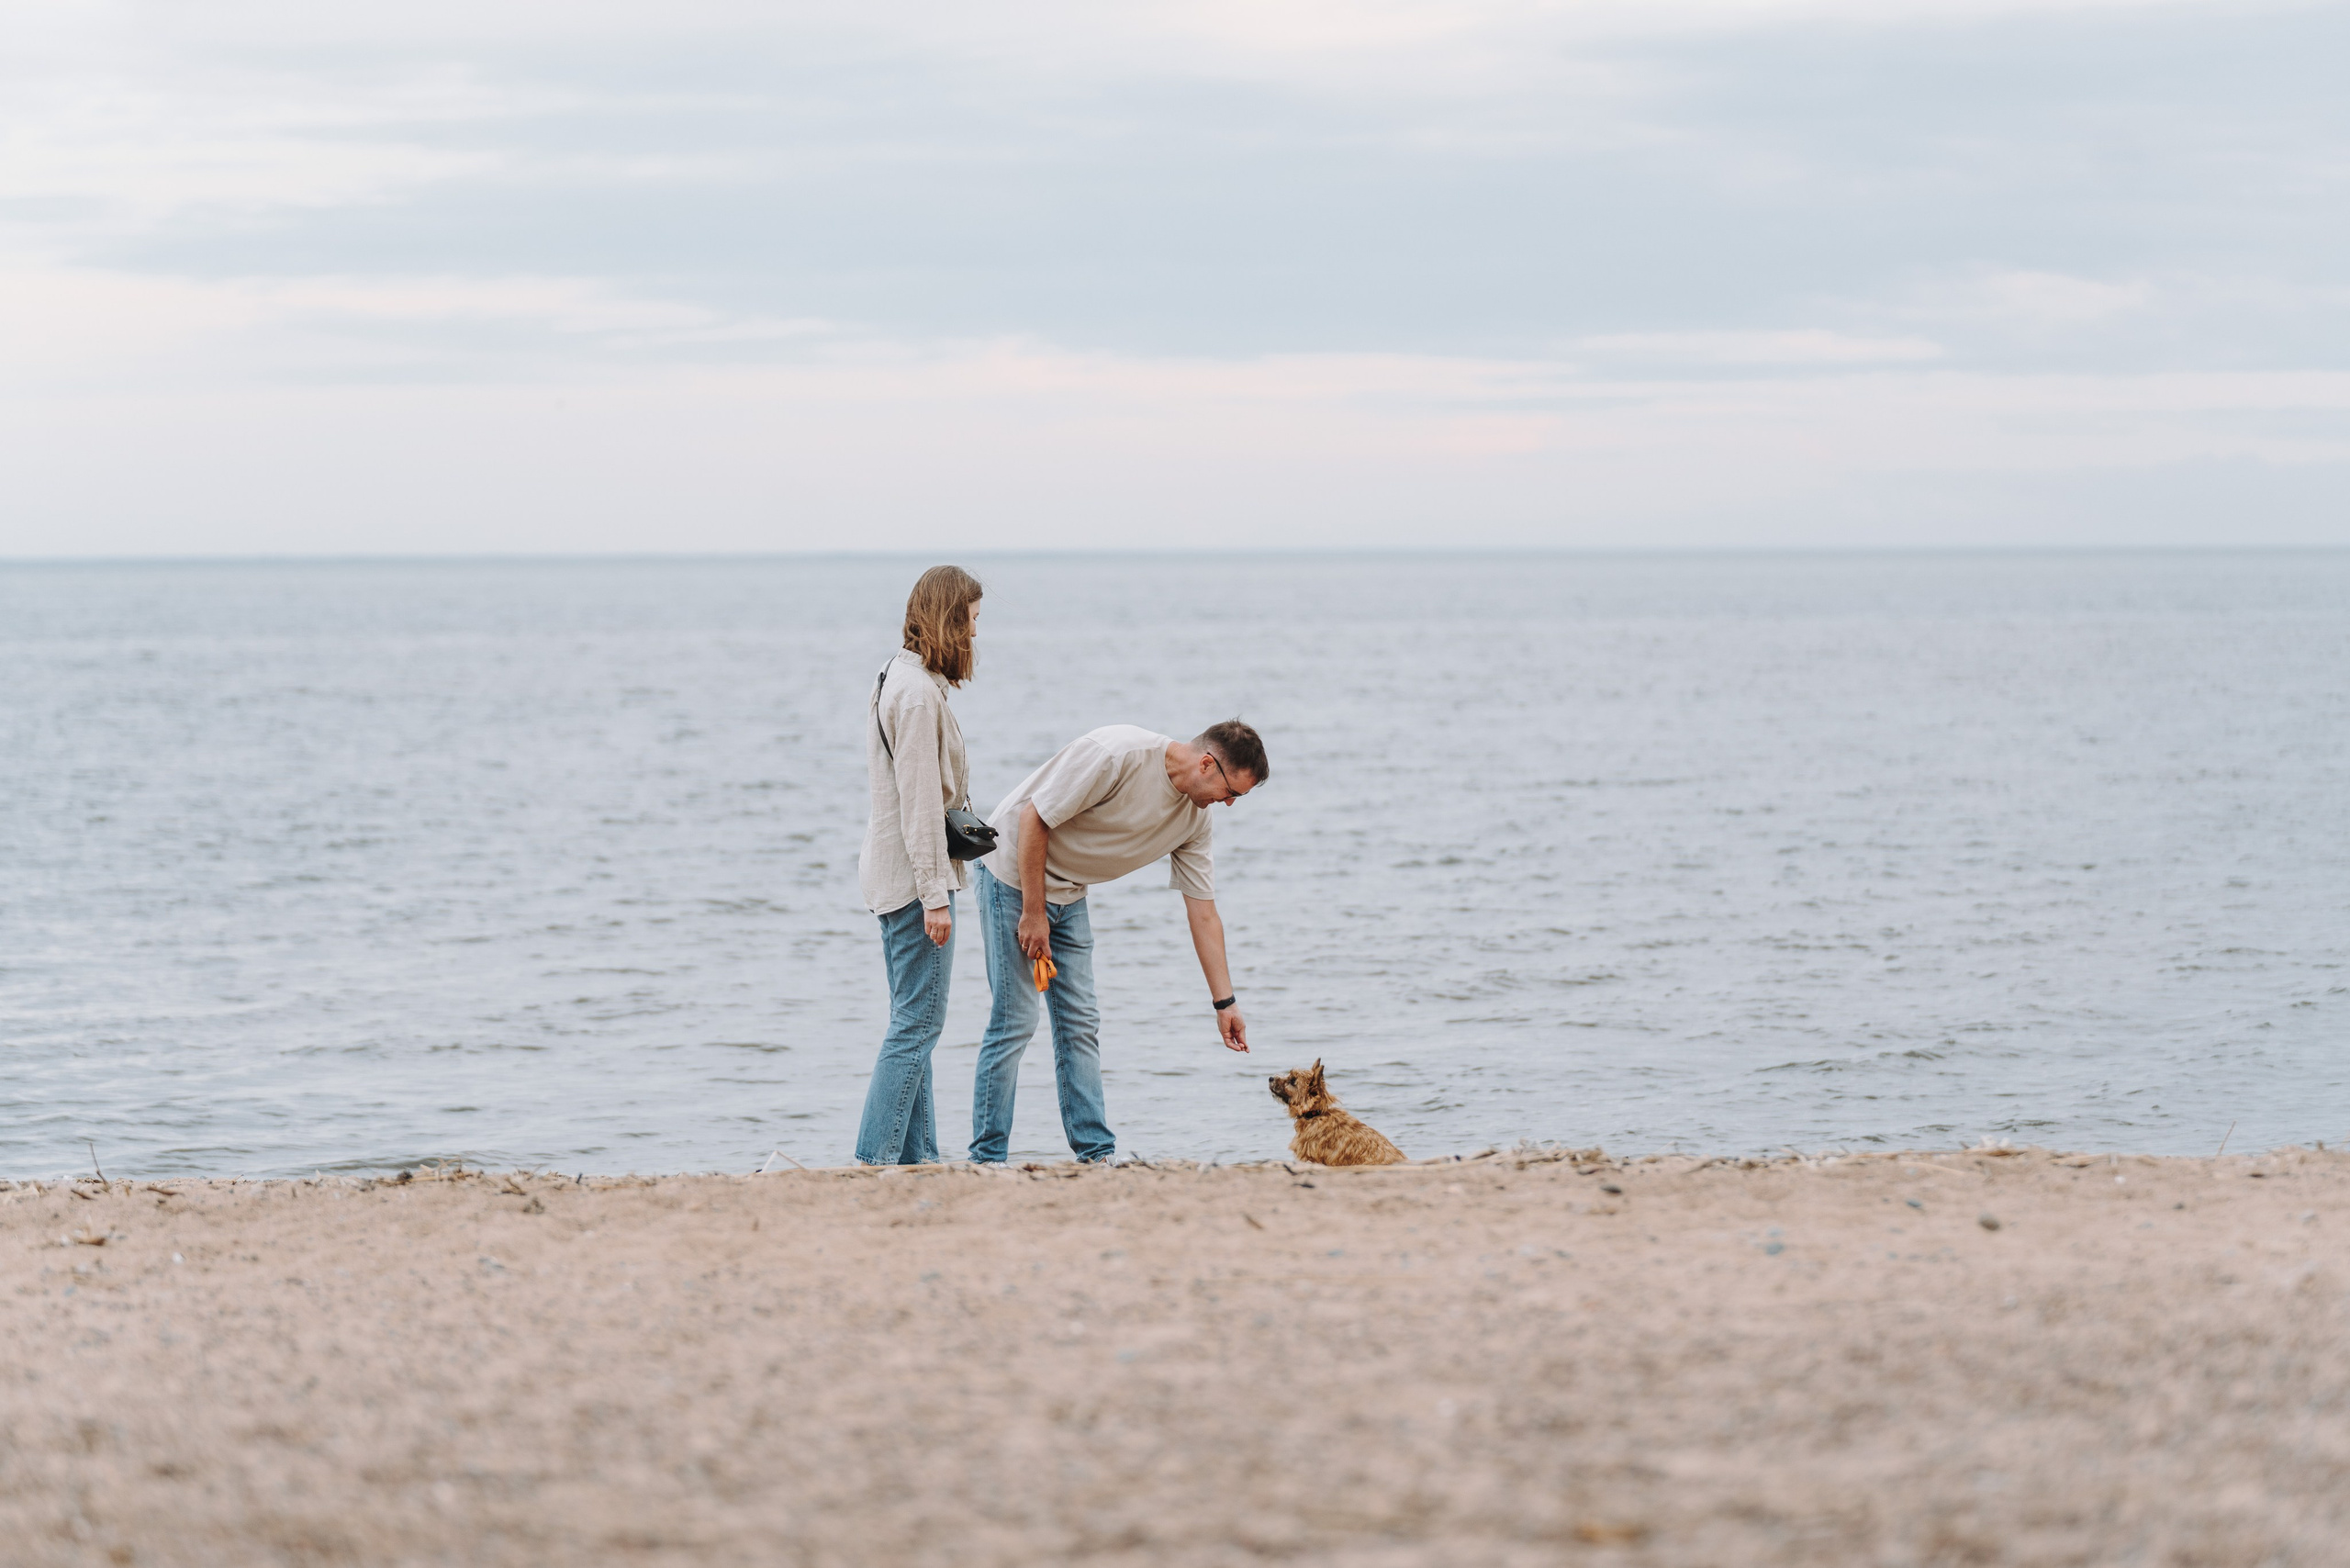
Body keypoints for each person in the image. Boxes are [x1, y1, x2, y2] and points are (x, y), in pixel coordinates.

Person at [968, 720, 1268, 1165]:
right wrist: (1033, 912)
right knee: (1015, 1020)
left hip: (1070, 892)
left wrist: (1225, 1004)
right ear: (1207, 764)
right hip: (1012, 875)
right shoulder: (1117, 755)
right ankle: (987, 1159)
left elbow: (1204, 913)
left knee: (1080, 1023)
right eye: (1231, 793)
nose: (1228, 804)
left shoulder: (1195, 821)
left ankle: (1096, 1156)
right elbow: (1034, 816)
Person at [853, 566, 983, 1166]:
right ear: (950, 620)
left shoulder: (898, 677)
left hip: (894, 872)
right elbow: (921, 801)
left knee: (914, 1023)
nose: (975, 635)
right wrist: (934, 895)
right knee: (916, 1026)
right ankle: (874, 1160)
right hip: (913, 881)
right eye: (971, 621)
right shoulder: (916, 694)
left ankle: (919, 1161)